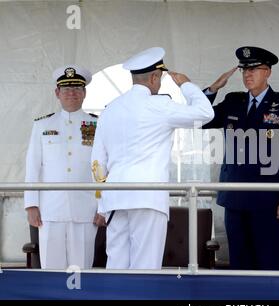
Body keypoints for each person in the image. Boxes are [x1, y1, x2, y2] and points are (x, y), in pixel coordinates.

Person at [91, 47, 214, 270]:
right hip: (147, 198)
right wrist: (186, 85)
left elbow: (97, 163)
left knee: (116, 264)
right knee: (146, 266)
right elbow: (206, 113)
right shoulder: (160, 106)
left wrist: (102, 204)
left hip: (115, 199)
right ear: (154, 77)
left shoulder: (110, 110)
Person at [202, 46, 279, 270]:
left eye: (254, 69)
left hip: (269, 200)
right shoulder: (232, 101)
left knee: (269, 262)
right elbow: (200, 119)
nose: (248, 74)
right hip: (235, 198)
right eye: (244, 69)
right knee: (239, 262)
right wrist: (212, 89)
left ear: (268, 72)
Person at [24, 65, 104, 269]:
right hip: (50, 209)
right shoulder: (42, 126)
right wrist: (31, 204)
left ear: (84, 93)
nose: (72, 93)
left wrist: (103, 206)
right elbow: (33, 166)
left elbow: (104, 168)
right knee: (51, 269)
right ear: (57, 93)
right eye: (66, 88)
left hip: (86, 209)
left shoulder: (98, 125)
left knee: (82, 270)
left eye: (77, 88)